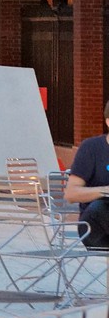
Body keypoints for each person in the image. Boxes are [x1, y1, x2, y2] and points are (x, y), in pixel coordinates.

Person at [63, 100, 109, 249]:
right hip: (94, 227)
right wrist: (105, 191)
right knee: (99, 206)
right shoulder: (91, 148)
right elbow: (71, 194)